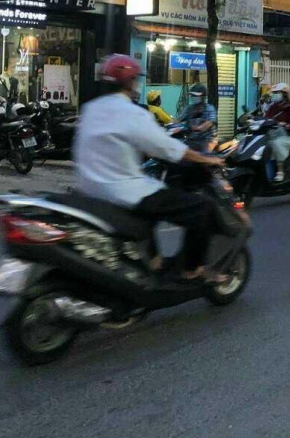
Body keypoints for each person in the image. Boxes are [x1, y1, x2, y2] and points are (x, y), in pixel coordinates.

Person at [74, 55, 227, 281]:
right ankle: (192, 269)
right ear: (130, 82)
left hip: (91, 190)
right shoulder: (133, 113)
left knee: (154, 198)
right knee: (201, 208)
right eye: (136, 80)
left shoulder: (90, 109)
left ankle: (154, 260)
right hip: (124, 191)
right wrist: (207, 160)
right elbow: (167, 147)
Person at [264, 82, 290, 182]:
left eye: (277, 92)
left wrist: (286, 125)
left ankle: (280, 171)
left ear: (284, 94)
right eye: (274, 93)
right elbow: (266, 118)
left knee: (276, 144)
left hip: (285, 136)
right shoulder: (272, 106)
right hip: (271, 134)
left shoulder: (289, 106)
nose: (275, 95)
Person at [177, 83, 217, 153]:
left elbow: (208, 123)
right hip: (191, 139)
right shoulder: (188, 109)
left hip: (206, 140)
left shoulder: (209, 108)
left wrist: (198, 128)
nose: (194, 97)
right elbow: (177, 120)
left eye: (196, 95)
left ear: (203, 96)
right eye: (192, 95)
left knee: (203, 156)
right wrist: (171, 126)